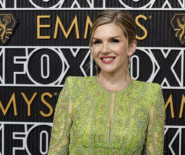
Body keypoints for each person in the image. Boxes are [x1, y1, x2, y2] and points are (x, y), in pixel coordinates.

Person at [48, 10, 165, 155]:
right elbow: (56, 151)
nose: (104, 50)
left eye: (114, 41)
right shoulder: (73, 88)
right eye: (97, 42)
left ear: (131, 46)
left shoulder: (151, 95)